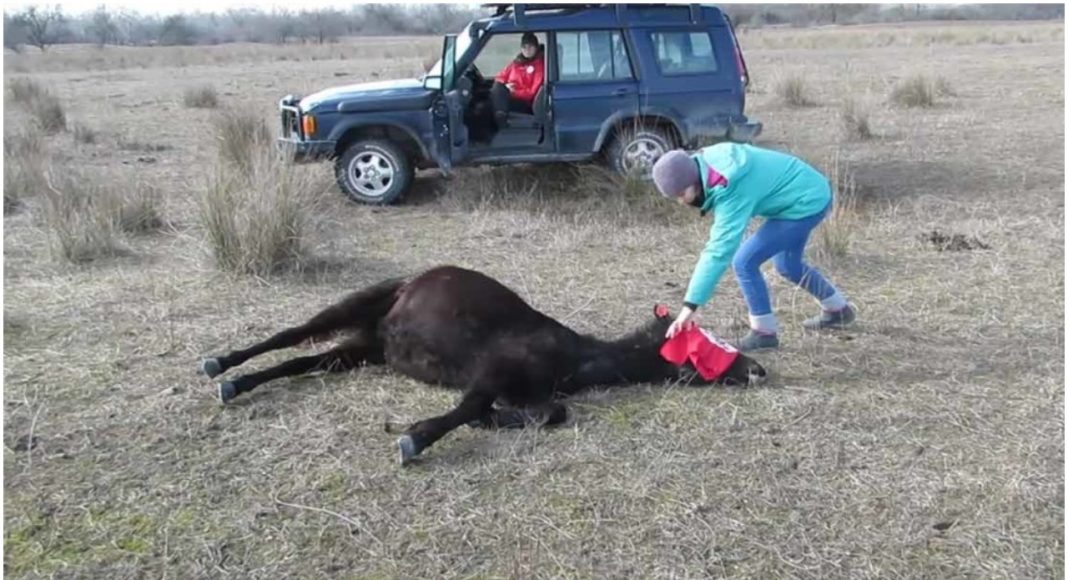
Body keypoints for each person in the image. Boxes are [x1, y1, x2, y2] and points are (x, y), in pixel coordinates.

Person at [652, 143, 856, 351]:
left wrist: (689, 307)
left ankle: (764, 333)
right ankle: (838, 310)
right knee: (787, 265)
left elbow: (718, 250)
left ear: (693, 181)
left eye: (681, 194)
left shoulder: (730, 185)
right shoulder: (706, 162)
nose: (680, 201)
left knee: (744, 261)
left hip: (806, 201)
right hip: (807, 189)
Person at [491, 32, 544, 128]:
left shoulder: (539, 66)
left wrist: (512, 92)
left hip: (525, 103)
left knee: (496, 101)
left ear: (536, 48)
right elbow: (500, 77)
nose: (527, 50)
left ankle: (500, 121)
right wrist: (506, 86)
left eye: (530, 47)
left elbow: (532, 93)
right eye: (524, 47)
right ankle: (499, 117)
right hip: (509, 95)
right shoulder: (516, 63)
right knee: (497, 87)